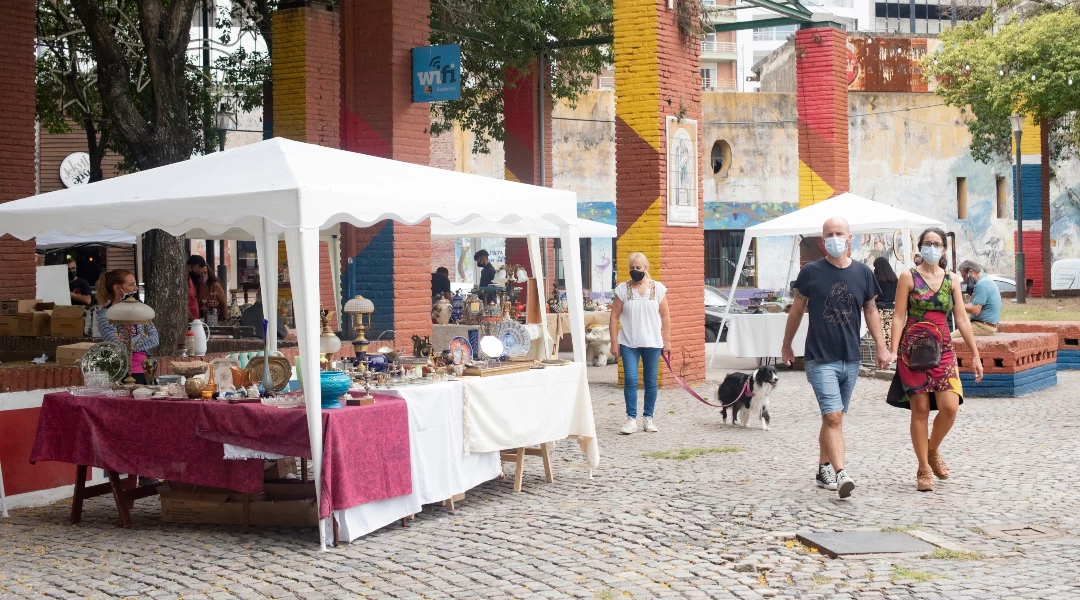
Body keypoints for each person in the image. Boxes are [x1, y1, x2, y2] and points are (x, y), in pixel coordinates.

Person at [782, 217, 891, 499]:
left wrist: (882, 347)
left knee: (834, 418)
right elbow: (796, 310)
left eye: (839, 233)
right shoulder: (811, 273)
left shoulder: (864, 273)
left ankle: (823, 468)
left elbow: (871, 311)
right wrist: (786, 345)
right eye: (828, 234)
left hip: (850, 357)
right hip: (820, 357)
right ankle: (841, 473)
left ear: (849, 238)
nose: (834, 238)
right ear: (822, 241)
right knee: (832, 416)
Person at [889, 228, 984, 492]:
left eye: (937, 243)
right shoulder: (908, 277)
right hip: (913, 350)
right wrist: (893, 350)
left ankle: (932, 449)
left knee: (950, 406)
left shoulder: (952, 279)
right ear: (920, 248)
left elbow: (962, 318)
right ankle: (923, 468)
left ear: (943, 249)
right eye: (927, 243)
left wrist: (975, 355)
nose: (932, 247)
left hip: (943, 348)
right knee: (919, 410)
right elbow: (898, 316)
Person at [608, 252, 671, 435]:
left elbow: (665, 316)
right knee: (631, 379)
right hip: (628, 342)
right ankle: (631, 419)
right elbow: (614, 317)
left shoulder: (657, 289)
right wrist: (614, 341)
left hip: (652, 342)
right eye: (632, 268)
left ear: (646, 268)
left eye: (639, 268)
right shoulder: (623, 289)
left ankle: (648, 418)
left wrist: (666, 340)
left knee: (651, 381)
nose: (635, 271)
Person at [96, 269, 159, 384]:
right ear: (117, 288)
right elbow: (120, 348)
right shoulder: (105, 316)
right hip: (123, 373)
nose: (135, 288)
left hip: (146, 371)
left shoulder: (140, 311)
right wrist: (143, 335)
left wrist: (128, 341)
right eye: (131, 285)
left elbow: (155, 338)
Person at [956, 260, 1001, 337]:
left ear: (971, 272)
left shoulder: (982, 284)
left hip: (983, 326)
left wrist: (957, 305)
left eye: (964, 276)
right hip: (982, 324)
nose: (963, 279)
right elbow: (969, 304)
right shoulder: (985, 280)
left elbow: (975, 310)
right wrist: (968, 291)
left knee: (949, 337)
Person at [187, 255, 227, 323]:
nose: (202, 275)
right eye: (199, 273)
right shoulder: (193, 286)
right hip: (198, 323)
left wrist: (225, 321)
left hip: (215, 323)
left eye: (205, 273)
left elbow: (224, 305)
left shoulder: (215, 286)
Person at [873, 257, 898, 350]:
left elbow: (874, 295)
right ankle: (892, 352)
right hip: (891, 308)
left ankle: (882, 352)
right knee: (890, 332)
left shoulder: (875, 279)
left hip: (879, 309)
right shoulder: (894, 278)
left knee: (880, 333)